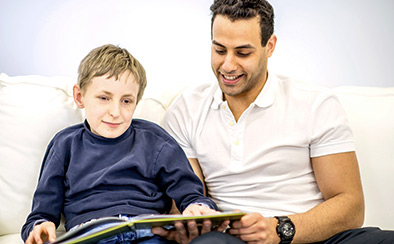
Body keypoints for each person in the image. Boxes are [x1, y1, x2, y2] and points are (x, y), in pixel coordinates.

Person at [154, 0, 394, 243]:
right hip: (231, 239)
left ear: (269, 46)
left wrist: (279, 229)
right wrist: (188, 223)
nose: (227, 65)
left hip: (310, 236)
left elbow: (350, 206)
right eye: (219, 50)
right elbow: (188, 199)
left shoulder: (315, 104)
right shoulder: (185, 111)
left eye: (242, 53)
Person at [21, 44, 218, 244]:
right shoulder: (64, 145)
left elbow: (190, 193)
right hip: (92, 234)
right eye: (104, 98)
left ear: (136, 102)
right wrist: (41, 225)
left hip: (148, 232)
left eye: (126, 101)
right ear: (80, 97)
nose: (115, 112)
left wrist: (197, 206)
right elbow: (42, 212)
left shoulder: (155, 140)